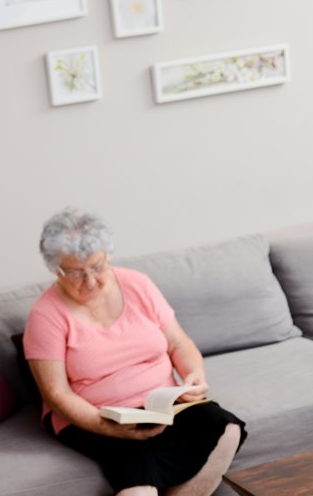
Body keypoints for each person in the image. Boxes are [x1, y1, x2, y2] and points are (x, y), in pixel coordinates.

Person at [23, 207, 245, 496]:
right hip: (94, 415)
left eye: (97, 267)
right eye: (76, 273)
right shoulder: (45, 315)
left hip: (160, 404)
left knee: (225, 429)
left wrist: (194, 376)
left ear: (108, 256)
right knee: (138, 473)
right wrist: (107, 427)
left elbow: (179, 343)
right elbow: (56, 393)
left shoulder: (137, 284)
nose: (90, 281)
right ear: (56, 269)